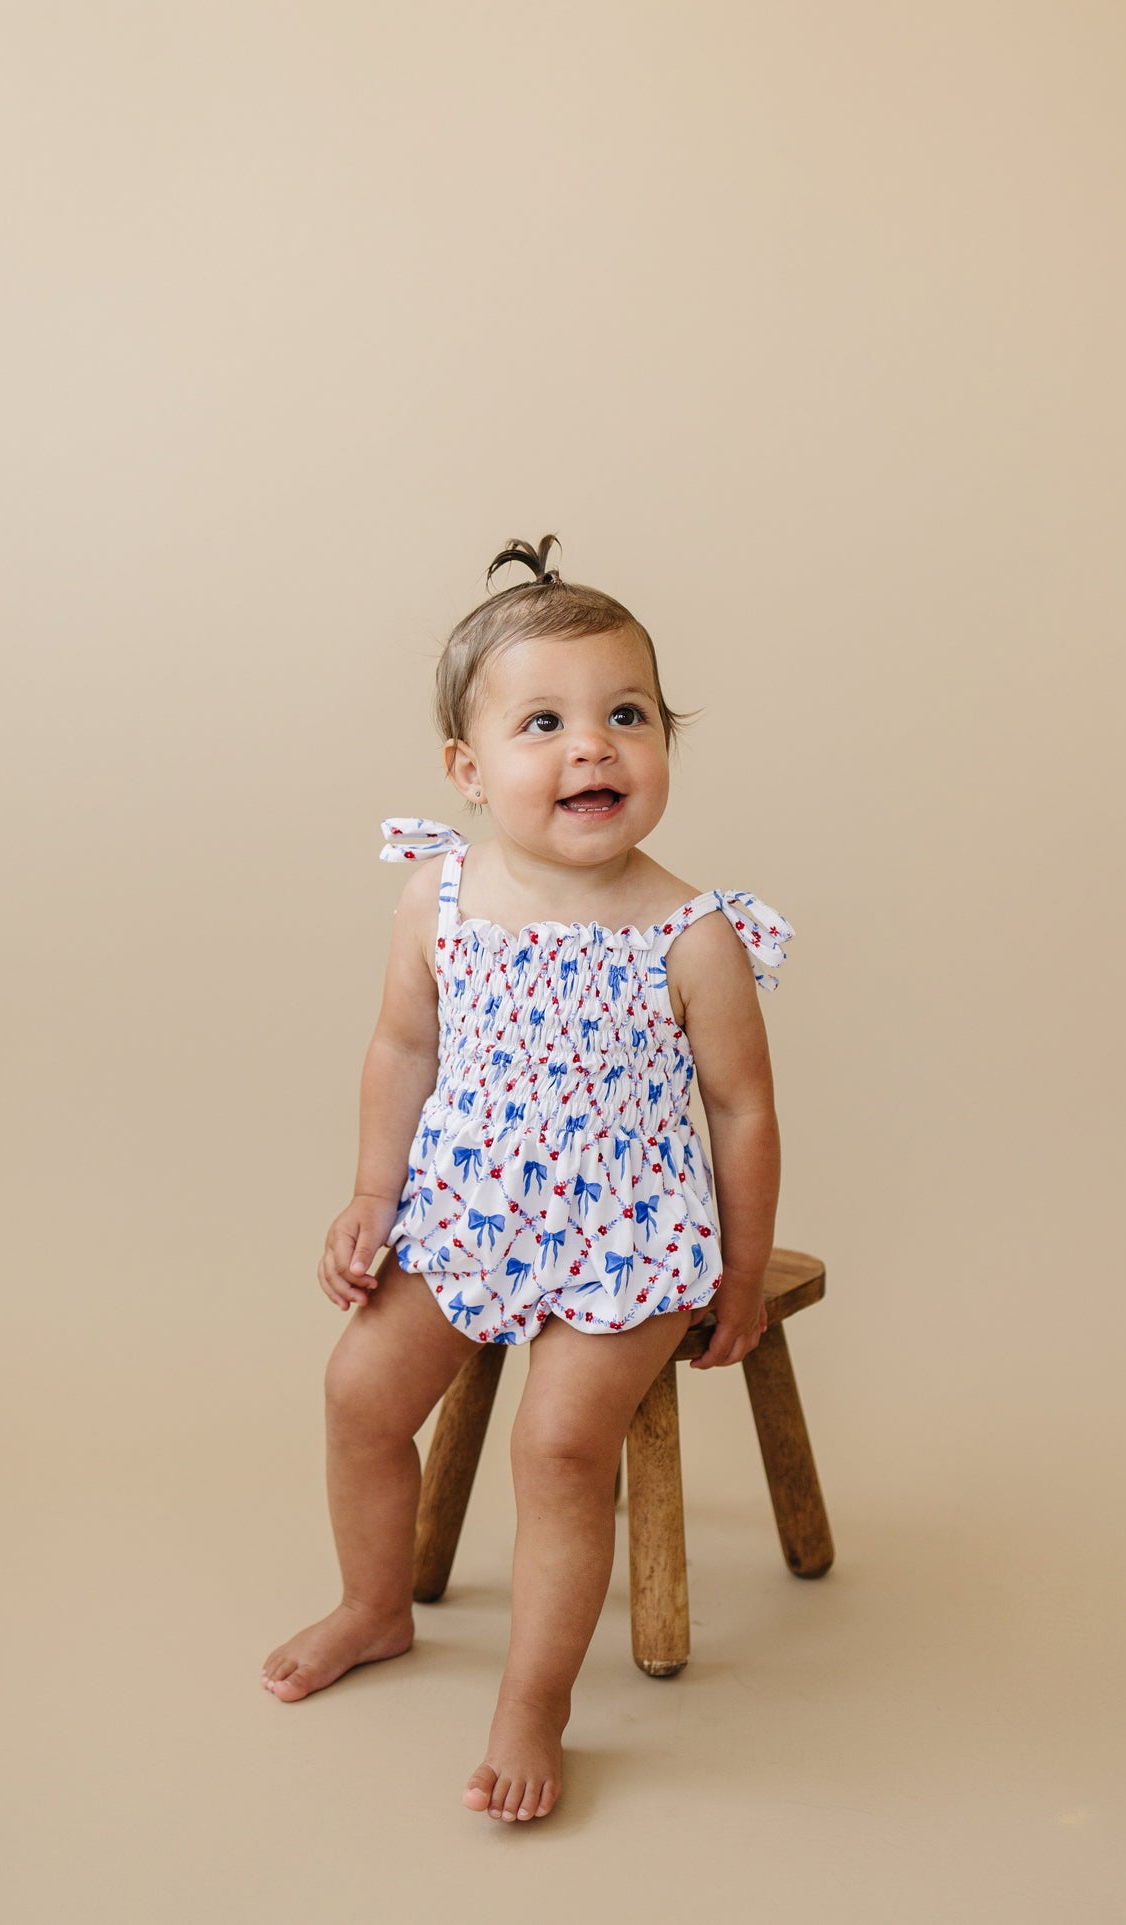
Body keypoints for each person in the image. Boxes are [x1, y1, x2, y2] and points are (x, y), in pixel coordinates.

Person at [261, 534, 795, 1822]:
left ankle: (533, 1701)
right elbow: (402, 1048)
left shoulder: (692, 933)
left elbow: (743, 1106)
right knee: (357, 1395)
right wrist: (373, 1198)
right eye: (543, 722)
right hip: (467, 1213)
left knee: (559, 1450)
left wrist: (740, 1266)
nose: (592, 747)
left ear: (666, 739)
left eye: (627, 715)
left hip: (628, 1235)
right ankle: (375, 1604)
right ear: (468, 767)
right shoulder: (441, 899)